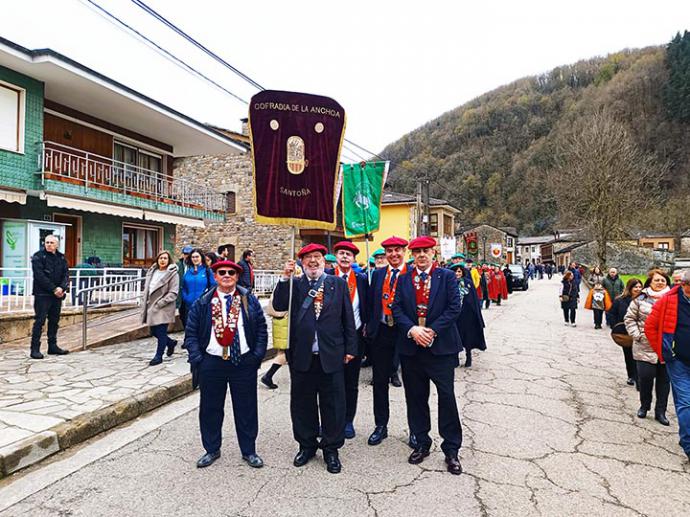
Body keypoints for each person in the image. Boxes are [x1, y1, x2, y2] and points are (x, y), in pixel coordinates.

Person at [272, 243, 357, 474]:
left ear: (324, 260)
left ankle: (331, 448)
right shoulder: (295, 285)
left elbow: (347, 318)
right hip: (302, 355)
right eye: (307, 257)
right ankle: (306, 445)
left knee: (334, 404)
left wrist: (351, 347)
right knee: (302, 404)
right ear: (301, 262)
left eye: (317, 257)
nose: (312, 261)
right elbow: (279, 306)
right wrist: (284, 278)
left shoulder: (337, 283)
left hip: (332, 354)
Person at [185, 260, 267, 469]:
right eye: (222, 272)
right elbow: (191, 333)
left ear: (238, 277)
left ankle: (249, 450)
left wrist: (257, 356)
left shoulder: (248, 299)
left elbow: (261, 329)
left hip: (243, 362)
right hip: (211, 363)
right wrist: (198, 360)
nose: (227, 275)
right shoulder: (203, 302)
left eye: (232, 272)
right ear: (215, 275)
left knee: (246, 408)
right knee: (210, 408)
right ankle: (211, 449)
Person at [391, 236, 463, 475]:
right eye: (417, 251)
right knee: (416, 397)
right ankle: (422, 442)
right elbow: (397, 308)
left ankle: (451, 449)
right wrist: (413, 330)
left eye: (426, 251)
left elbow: (454, 307)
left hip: (440, 348)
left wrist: (432, 331)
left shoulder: (448, 277)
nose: (421, 255)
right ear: (412, 255)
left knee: (446, 398)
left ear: (433, 252)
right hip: (412, 348)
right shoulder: (403, 279)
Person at [366, 236, 409, 447]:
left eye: (397, 250)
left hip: (406, 334)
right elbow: (371, 303)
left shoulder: (411, 273)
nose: (393, 254)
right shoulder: (378, 274)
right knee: (380, 383)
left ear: (404, 252)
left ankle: (416, 429)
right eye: (389, 251)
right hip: (382, 332)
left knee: (412, 384)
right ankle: (380, 426)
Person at [645, 270, 690, 461]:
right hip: (678, 360)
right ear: (685, 286)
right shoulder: (668, 300)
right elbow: (650, 327)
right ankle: (689, 445)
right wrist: (665, 352)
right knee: (686, 402)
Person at [326, 241, 369, 439]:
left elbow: (366, 307)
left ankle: (348, 420)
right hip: (331, 339)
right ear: (336, 256)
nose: (344, 257)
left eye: (348, 254)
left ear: (353, 259)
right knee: (329, 382)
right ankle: (329, 420)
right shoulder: (326, 278)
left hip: (355, 337)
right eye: (341, 253)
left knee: (350, 382)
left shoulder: (361, 280)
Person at [624, 269, 671, 425]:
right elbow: (629, 319)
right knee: (645, 379)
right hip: (644, 346)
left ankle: (661, 412)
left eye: (663, 280)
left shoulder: (673, 299)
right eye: (656, 280)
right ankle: (644, 406)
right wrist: (637, 335)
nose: (660, 283)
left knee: (664, 382)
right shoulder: (640, 299)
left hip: (666, 348)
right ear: (650, 282)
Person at [30, 234, 70, 359]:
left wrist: (62, 288)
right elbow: (40, 276)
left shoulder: (62, 258)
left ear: (57, 245)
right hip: (42, 294)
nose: (49, 244)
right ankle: (34, 349)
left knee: (54, 321)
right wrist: (54, 289)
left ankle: (52, 346)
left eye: (52, 243)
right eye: (47, 242)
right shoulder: (38, 257)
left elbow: (66, 275)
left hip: (57, 295)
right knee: (40, 321)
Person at [142, 251, 179, 366]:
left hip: (164, 307)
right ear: (157, 259)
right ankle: (171, 343)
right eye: (161, 258)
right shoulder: (152, 272)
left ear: (169, 260)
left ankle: (158, 356)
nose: (163, 260)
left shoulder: (173, 274)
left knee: (161, 331)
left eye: (165, 258)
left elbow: (173, 292)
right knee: (154, 331)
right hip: (151, 306)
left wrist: (160, 303)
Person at [449, 263, 486, 367]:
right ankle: (455, 359)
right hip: (454, 316)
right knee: (455, 337)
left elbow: (473, 299)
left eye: (459, 271)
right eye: (455, 271)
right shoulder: (449, 283)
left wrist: (476, 314)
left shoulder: (468, 283)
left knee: (467, 337)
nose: (457, 273)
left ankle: (468, 357)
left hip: (467, 315)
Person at [608, 278, 643, 387]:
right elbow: (611, 314)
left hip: (641, 332)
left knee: (640, 356)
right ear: (630, 288)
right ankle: (631, 375)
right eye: (635, 287)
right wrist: (615, 327)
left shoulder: (644, 300)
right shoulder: (620, 300)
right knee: (628, 354)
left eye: (639, 287)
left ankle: (640, 376)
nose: (638, 289)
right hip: (625, 332)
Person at [181, 248, 216, 327]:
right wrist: (186, 298)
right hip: (189, 305)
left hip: (203, 305)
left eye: (197, 257)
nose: (195, 259)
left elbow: (213, 287)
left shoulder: (207, 271)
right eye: (193, 257)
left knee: (202, 328)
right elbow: (184, 287)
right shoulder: (188, 272)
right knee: (189, 327)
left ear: (201, 258)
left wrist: (205, 298)